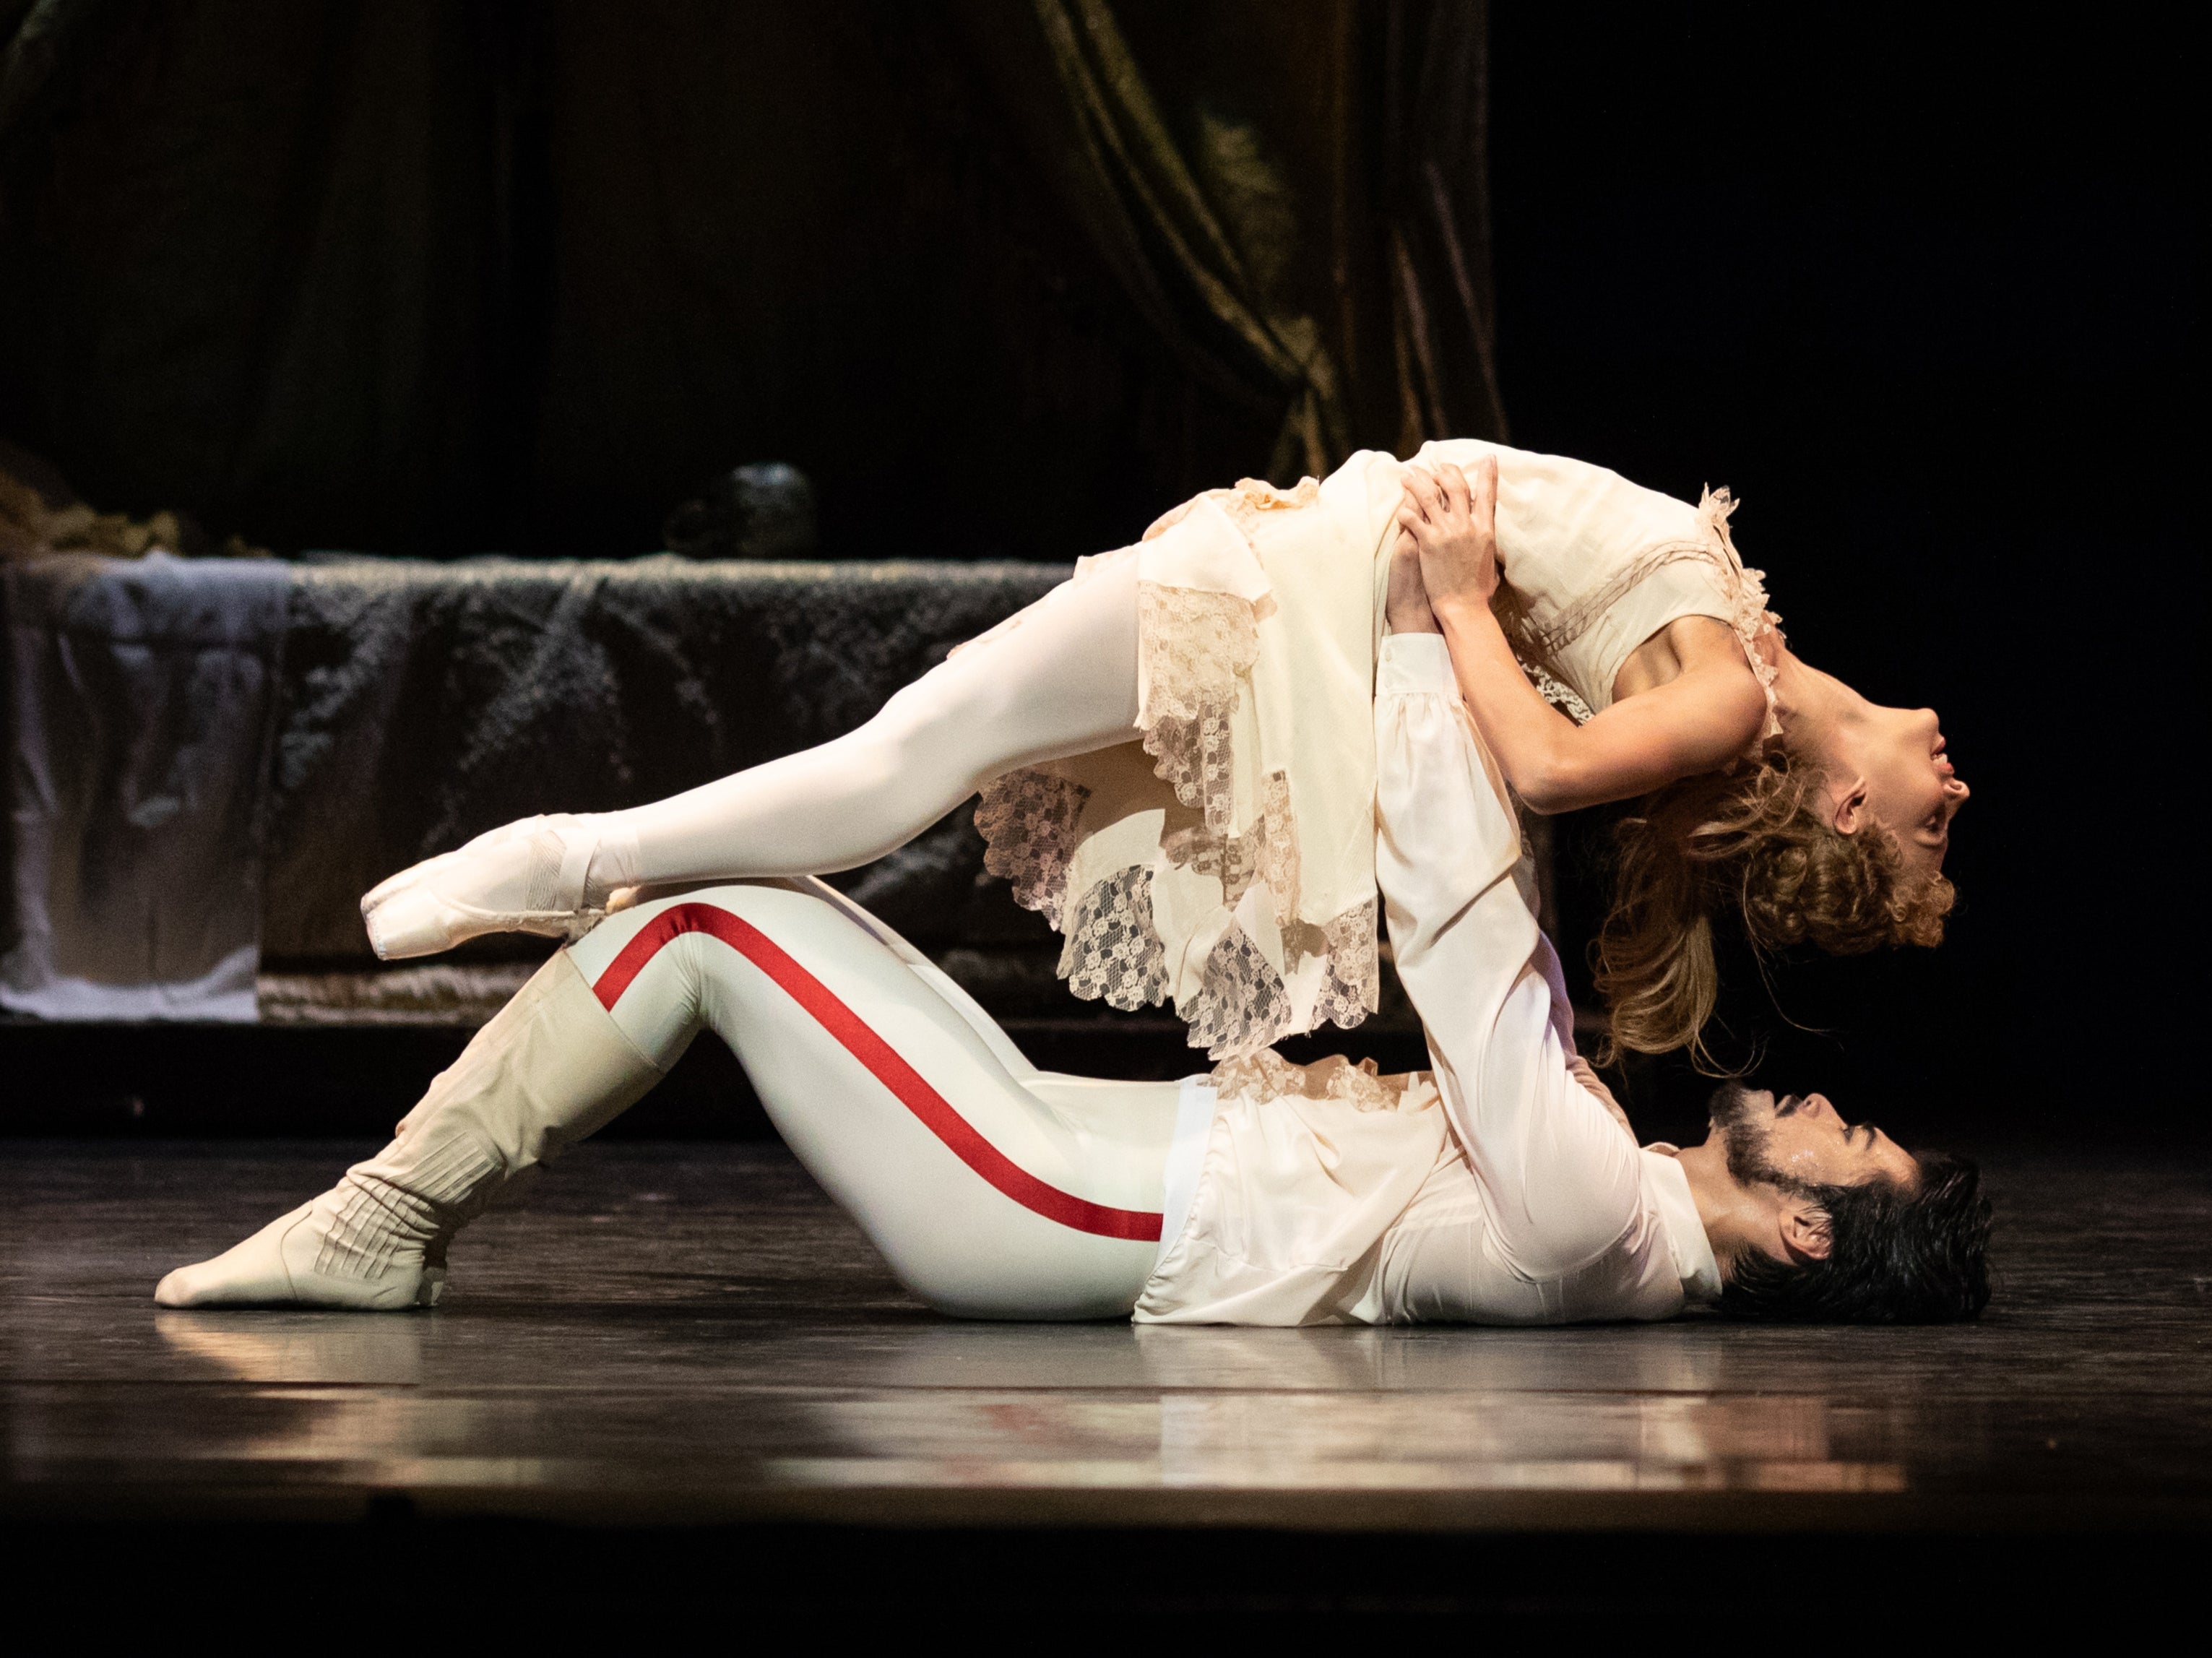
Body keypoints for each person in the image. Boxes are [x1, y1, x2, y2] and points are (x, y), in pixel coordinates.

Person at [156, 545, 1989, 1326]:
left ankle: (385, 1221)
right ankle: (398, 1200)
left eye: (1848, 1142)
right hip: (1058, 1148)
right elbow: (1496, 946)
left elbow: (1462, 936)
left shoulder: (1606, 1217)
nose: (1824, 1109)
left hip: (1045, 1195)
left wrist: (1436, 628)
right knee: (751, 904)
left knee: (706, 933)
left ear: (1812, 1223)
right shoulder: (1618, 1195)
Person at [357, 441, 1966, 1068]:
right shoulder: (1744, 649)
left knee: (916, 750)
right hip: (1303, 596)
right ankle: (568, 862)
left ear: (1841, 803)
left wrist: (1465, 596)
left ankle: (562, 856)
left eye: (1927, 836)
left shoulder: (1739, 705)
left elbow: (1544, 773)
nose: (1951, 792)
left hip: (1299, 620)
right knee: (917, 751)